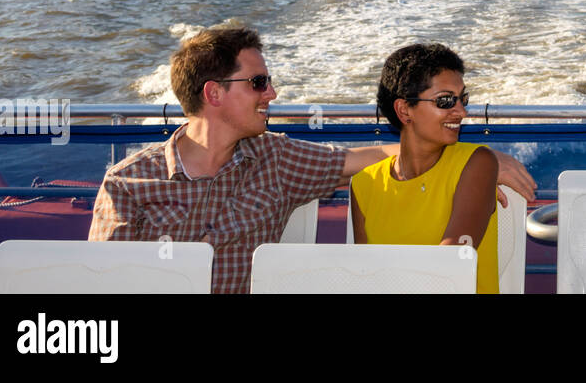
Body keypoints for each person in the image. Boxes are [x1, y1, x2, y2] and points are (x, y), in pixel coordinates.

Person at [89, 25, 534, 294]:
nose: (272, 94)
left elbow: (367, 157)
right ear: (214, 93)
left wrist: (470, 154)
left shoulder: (277, 159)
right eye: (259, 83)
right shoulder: (127, 184)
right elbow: (102, 287)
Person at [351, 43, 499, 293]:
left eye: (463, 98)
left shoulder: (477, 163)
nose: (461, 111)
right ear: (404, 110)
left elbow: (452, 263)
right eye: (445, 101)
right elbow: (367, 277)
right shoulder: (364, 184)